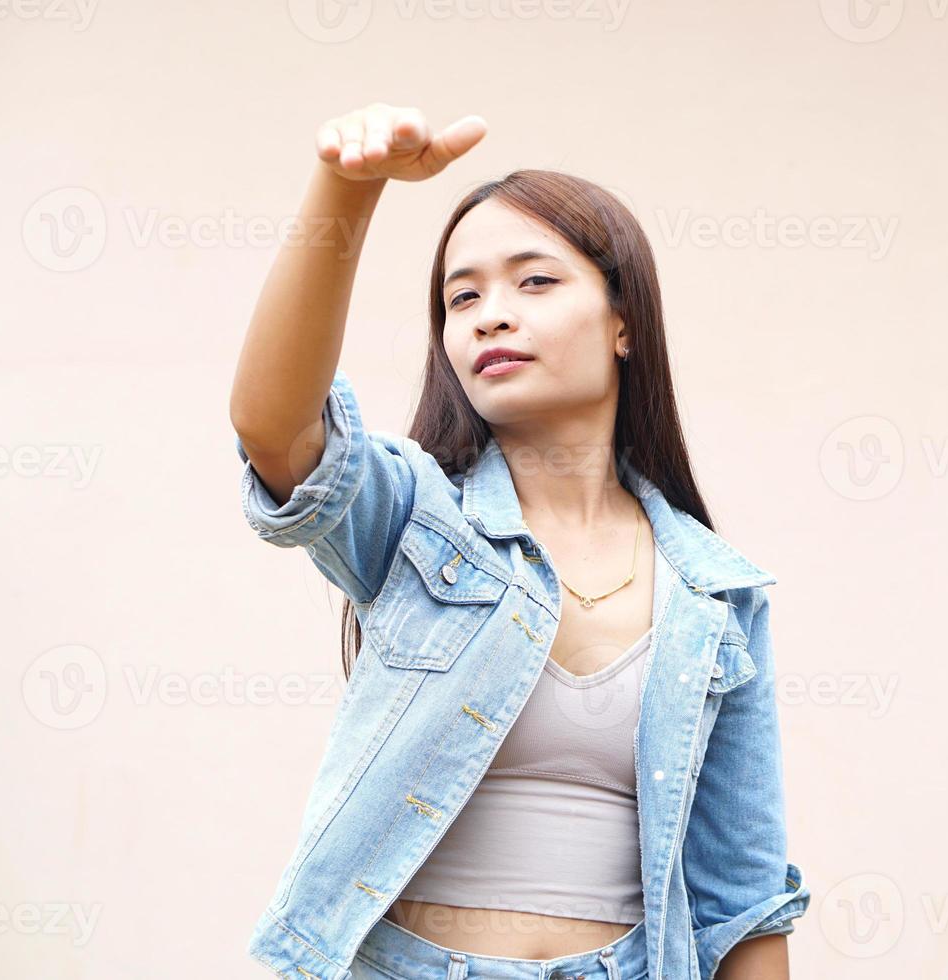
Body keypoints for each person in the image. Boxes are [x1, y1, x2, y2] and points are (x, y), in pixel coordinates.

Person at [230, 101, 809, 980]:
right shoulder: (419, 521)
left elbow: (744, 900)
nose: (491, 315)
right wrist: (346, 195)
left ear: (623, 323)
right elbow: (275, 428)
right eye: (463, 297)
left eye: (535, 282)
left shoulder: (717, 592)